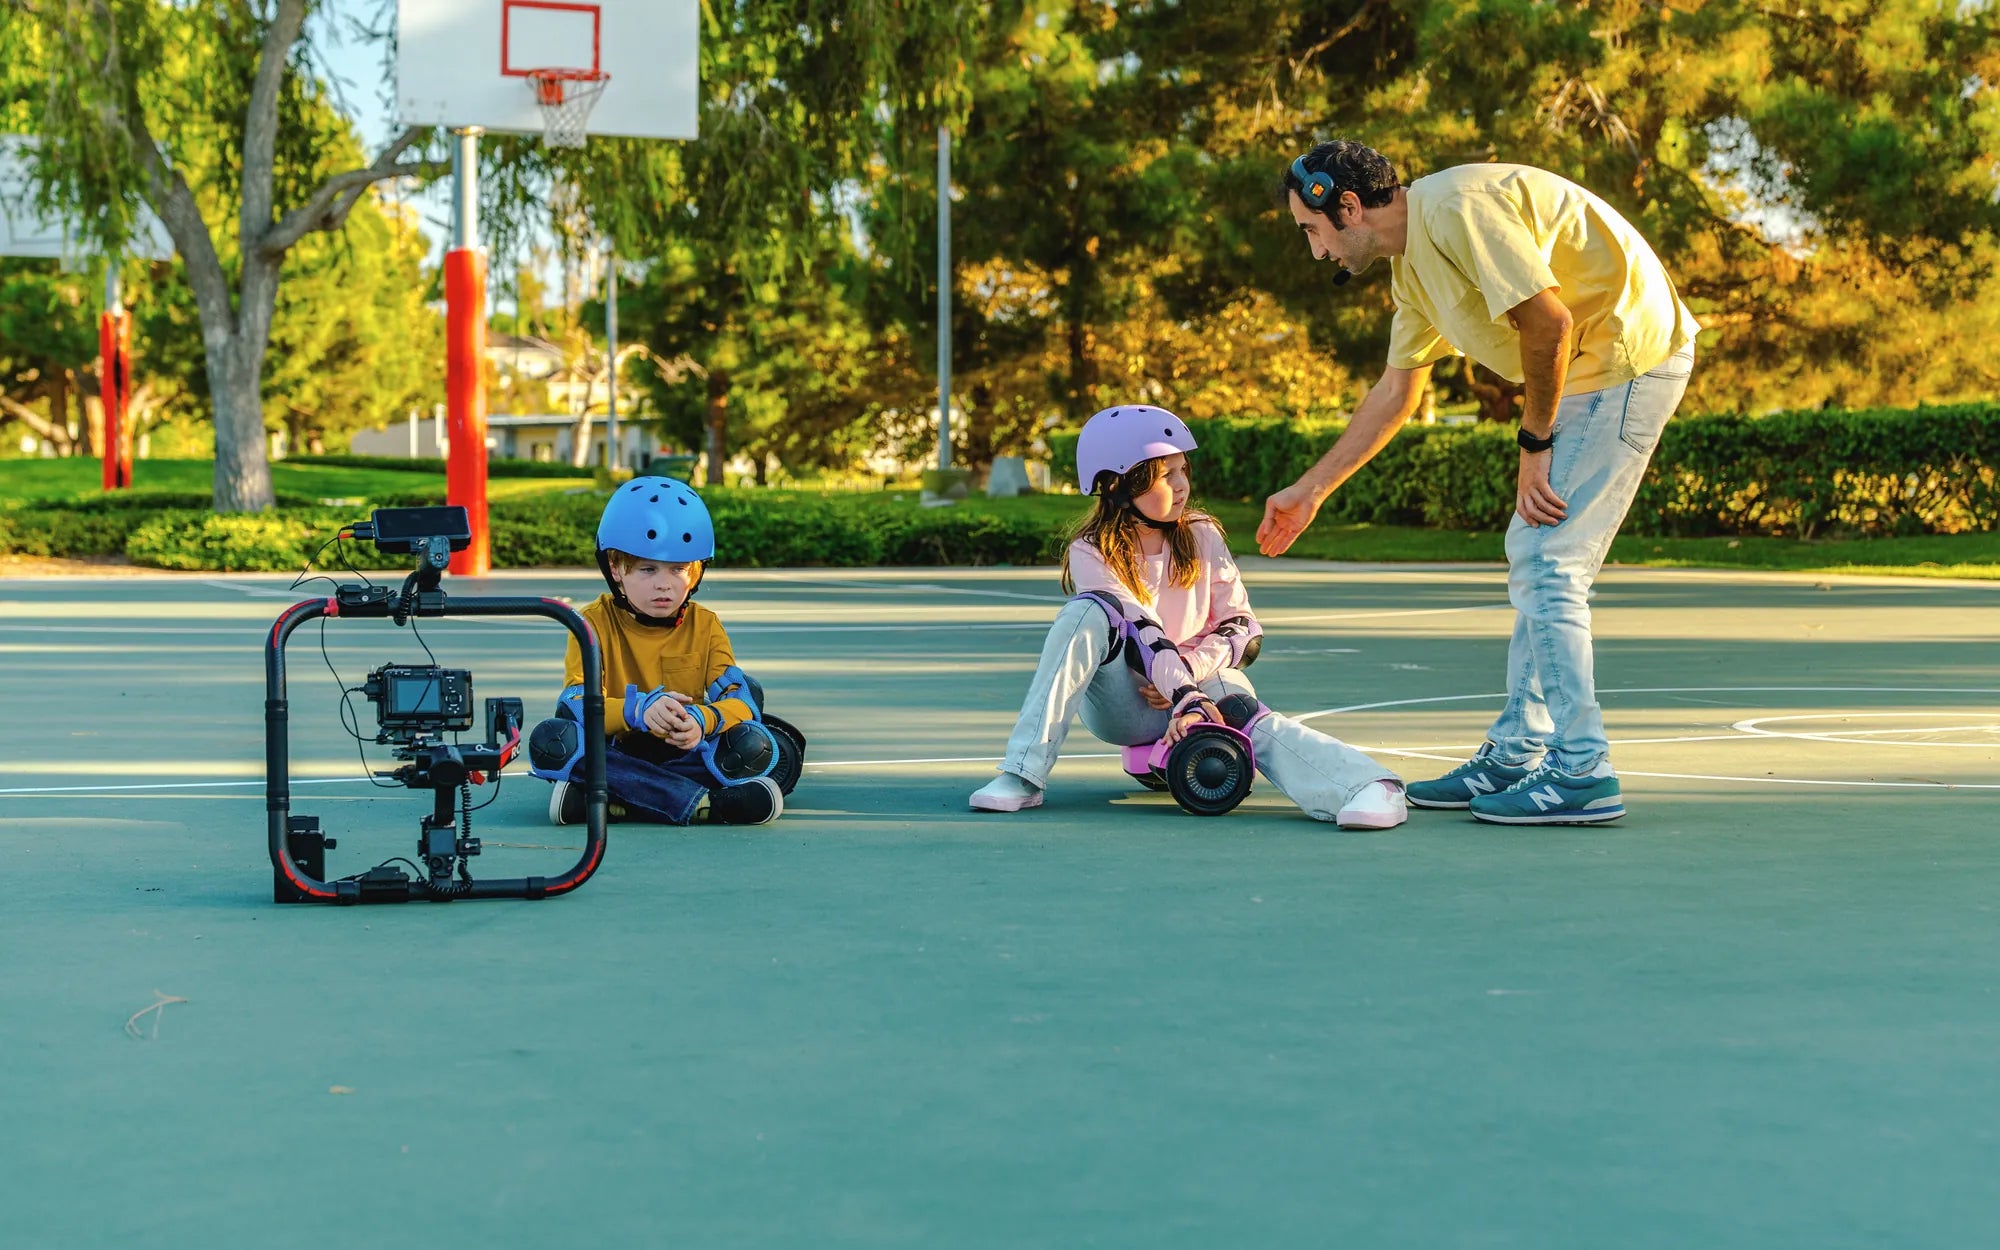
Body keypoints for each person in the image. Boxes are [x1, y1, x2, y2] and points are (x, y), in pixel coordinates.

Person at [1261, 140, 1699, 825]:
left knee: (1549, 561)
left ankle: (1584, 771)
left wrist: (1535, 442)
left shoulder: (1457, 208)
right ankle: (1517, 752)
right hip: (1593, 369)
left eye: (1311, 232)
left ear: (1345, 206)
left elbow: (1548, 322)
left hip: (1625, 357)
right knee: (1536, 555)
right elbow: (1397, 390)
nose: (1316, 253)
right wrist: (1312, 488)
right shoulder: (1413, 268)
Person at [970, 404, 1406, 828]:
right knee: (1085, 612)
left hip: (1199, 683)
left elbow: (1243, 628)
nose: (1182, 486)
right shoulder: (1090, 551)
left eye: (1184, 471)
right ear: (1120, 485)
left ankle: (1365, 785)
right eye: (1166, 475)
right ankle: (1023, 774)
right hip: (1129, 702)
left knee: (1238, 707)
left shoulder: (1201, 533)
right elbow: (1139, 631)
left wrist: (1192, 679)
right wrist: (1187, 698)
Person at [528, 477, 787, 827]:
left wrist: (702, 720)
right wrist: (640, 711)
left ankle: (615, 801)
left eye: (678, 569)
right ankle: (706, 804)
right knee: (553, 742)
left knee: (759, 746)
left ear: (695, 573)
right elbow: (575, 702)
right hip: (620, 749)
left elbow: (741, 698)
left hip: (686, 750)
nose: (664, 583)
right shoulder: (590, 623)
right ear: (617, 569)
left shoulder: (706, 624)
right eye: (648, 569)